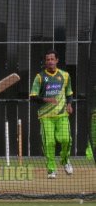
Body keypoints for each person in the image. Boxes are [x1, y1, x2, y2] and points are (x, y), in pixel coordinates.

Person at [30, 50, 73, 179]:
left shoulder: (65, 75)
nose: (50, 61)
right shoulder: (40, 77)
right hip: (46, 117)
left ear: (57, 60)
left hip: (62, 115)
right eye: (47, 59)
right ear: (45, 62)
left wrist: (69, 104)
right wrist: (46, 99)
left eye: (52, 59)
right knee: (49, 143)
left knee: (66, 139)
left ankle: (65, 161)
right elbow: (33, 97)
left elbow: (69, 93)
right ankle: (51, 169)